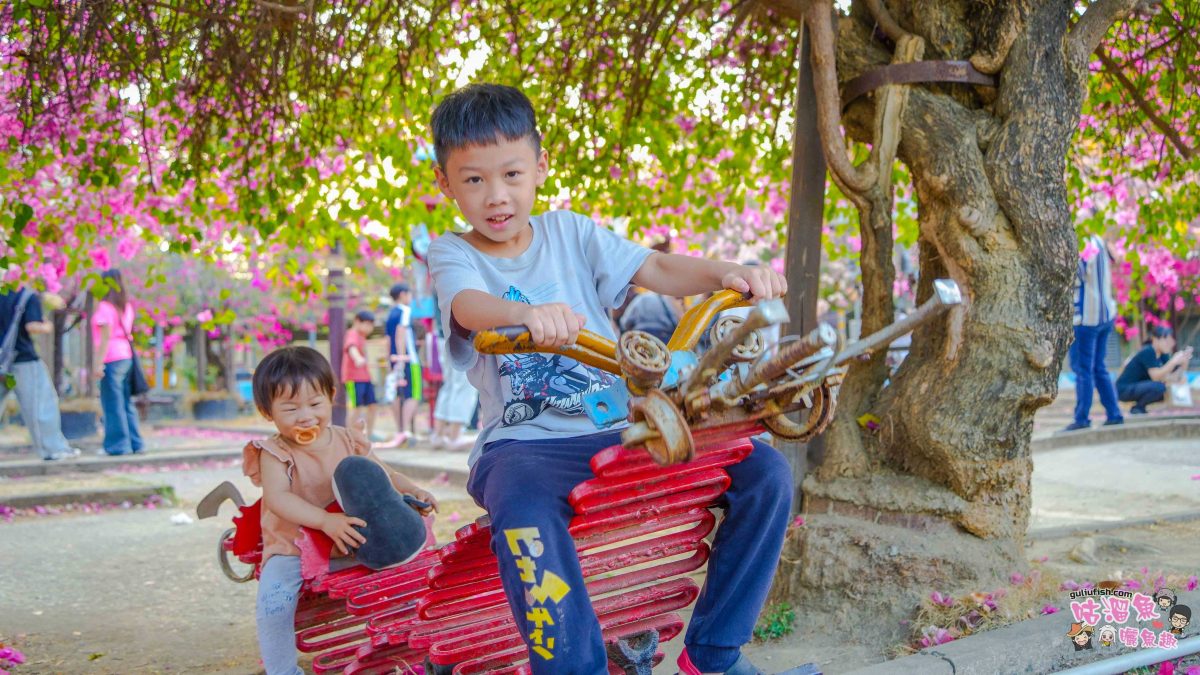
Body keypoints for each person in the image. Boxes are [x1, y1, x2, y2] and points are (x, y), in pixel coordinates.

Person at [427, 83, 791, 675]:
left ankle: (716, 653)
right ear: (445, 183)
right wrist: (521, 314)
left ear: (540, 167)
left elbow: (656, 266)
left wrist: (729, 271)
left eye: (512, 174)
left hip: (618, 429)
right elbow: (467, 304)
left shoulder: (572, 232)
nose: (496, 196)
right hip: (525, 446)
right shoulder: (454, 253)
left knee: (765, 472)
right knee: (523, 515)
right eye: (473, 180)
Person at [241, 345, 437, 675]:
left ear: (331, 396)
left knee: (405, 579)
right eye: (290, 408)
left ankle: (412, 649)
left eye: (315, 404)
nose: (305, 416)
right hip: (294, 545)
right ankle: (283, 669)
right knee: (274, 603)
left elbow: (385, 475)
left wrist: (413, 489)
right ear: (266, 411)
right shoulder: (274, 452)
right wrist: (323, 520)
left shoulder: (348, 440)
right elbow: (278, 499)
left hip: (359, 537)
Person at [0, 287, 80, 460]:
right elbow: (32, 326)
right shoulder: (27, 295)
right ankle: (53, 449)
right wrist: (47, 325)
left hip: (2, 363)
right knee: (40, 406)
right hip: (23, 361)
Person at [1065, 233, 1123, 431]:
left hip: (1088, 318)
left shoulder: (1085, 241)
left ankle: (1082, 417)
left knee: (1083, 369)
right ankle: (1114, 413)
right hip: (1105, 314)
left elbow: (1076, 273)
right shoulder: (1100, 241)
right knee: (1098, 367)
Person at [90, 269, 143, 456]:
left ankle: (117, 445)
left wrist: (98, 364)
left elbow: (105, 337)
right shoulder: (125, 306)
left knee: (112, 404)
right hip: (126, 356)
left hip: (112, 357)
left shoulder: (105, 307)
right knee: (126, 403)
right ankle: (135, 443)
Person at [1116, 326, 1193, 414]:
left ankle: (1139, 408)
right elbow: (1156, 377)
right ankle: (1138, 408)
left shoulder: (1163, 355)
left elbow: (1171, 378)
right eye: (1166, 341)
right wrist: (1173, 362)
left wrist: (1184, 363)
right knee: (1159, 387)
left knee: (1164, 388)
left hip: (1139, 387)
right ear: (1155, 339)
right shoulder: (1148, 351)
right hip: (1124, 390)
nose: (1169, 344)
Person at [384, 283, 421, 446]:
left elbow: (387, 339)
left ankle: (400, 430)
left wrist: (390, 360)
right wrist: (402, 356)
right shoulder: (405, 311)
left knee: (398, 393)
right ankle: (404, 430)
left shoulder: (390, 313)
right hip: (408, 359)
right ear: (403, 294)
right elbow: (401, 332)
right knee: (413, 394)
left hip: (393, 359)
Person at [342, 310, 380, 441]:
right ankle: (349, 437)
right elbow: (351, 348)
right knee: (355, 408)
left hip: (365, 377)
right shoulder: (352, 334)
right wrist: (357, 358)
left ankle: (369, 434)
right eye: (368, 324)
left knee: (373, 406)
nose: (370, 328)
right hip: (354, 378)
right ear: (357, 321)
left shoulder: (362, 336)